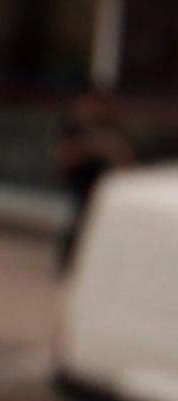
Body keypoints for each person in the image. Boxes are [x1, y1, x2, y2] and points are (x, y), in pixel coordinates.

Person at [55, 87, 134, 271]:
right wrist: (92, 147)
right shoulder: (75, 127)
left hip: (101, 184)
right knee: (81, 221)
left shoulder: (110, 127)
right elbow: (64, 156)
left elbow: (125, 161)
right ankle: (68, 263)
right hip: (82, 182)